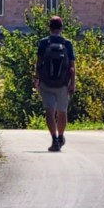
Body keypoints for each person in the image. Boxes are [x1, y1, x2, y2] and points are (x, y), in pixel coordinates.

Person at [34, 15, 75, 152]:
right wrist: (72, 83)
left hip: (46, 83)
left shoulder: (43, 43)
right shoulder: (67, 44)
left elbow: (39, 63)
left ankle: (54, 140)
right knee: (62, 111)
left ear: (49, 28)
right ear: (61, 28)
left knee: (49, 111)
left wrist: (37, 79)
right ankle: (61, 136)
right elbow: (72, 66)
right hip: (63, 84)